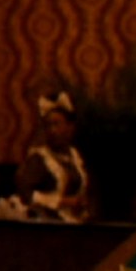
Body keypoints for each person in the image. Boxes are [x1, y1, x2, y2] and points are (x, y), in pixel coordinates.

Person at [15, 91, 90, 223]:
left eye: (56, 124)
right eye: (48, 126)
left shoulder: (74, 155)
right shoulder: (39, 158)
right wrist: (63, 201)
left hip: (76, 222)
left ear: (70, 127)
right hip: (50, 223)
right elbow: (26, 194)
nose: (52, 130)